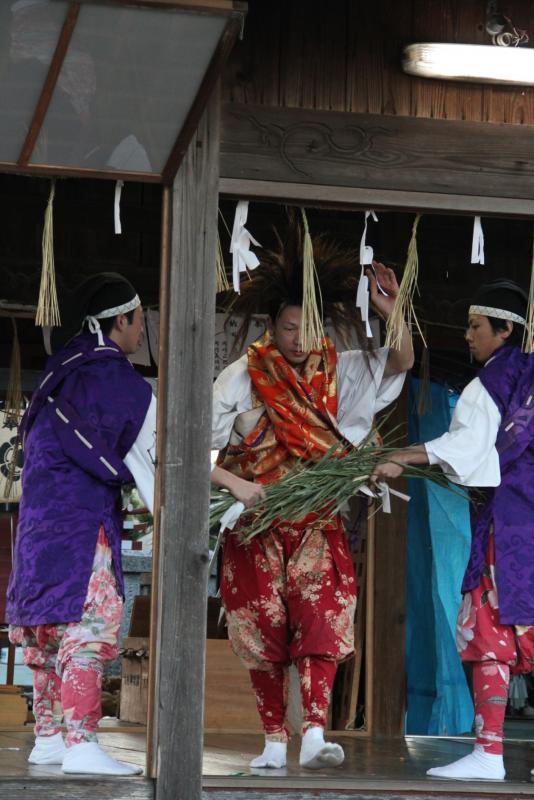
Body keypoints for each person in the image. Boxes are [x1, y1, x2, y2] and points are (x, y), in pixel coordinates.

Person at [211, 223, 413, 770]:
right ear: (271, 325)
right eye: (289, 328)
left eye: (309, 328)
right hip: (254, 519)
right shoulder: (240, 376)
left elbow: (400, 363)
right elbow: (193, 453)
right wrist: (239, 485)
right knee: (262, 626)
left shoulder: (339, 370)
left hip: (316, 517)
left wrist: (390, 309)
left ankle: (315, 732)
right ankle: (274, 741)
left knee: (323, 618)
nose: (299, 339)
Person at [372, 279, 534, 781]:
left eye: (475, 327)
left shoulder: (491, 381)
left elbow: (466, 451)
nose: (467, 336)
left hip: (506, 528)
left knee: (490, 634)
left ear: (505, 330)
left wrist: (402, 454)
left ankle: (488, 752)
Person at [6, 272, 156, 776]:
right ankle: (82, 742)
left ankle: (48, 737)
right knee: (86, 629)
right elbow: (161, 458)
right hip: (79, 528)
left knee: (45, 630)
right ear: (120, 322)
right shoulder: (116, 381)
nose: (141, 331)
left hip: (37, 529)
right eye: (139, 322)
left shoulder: (55, 375)